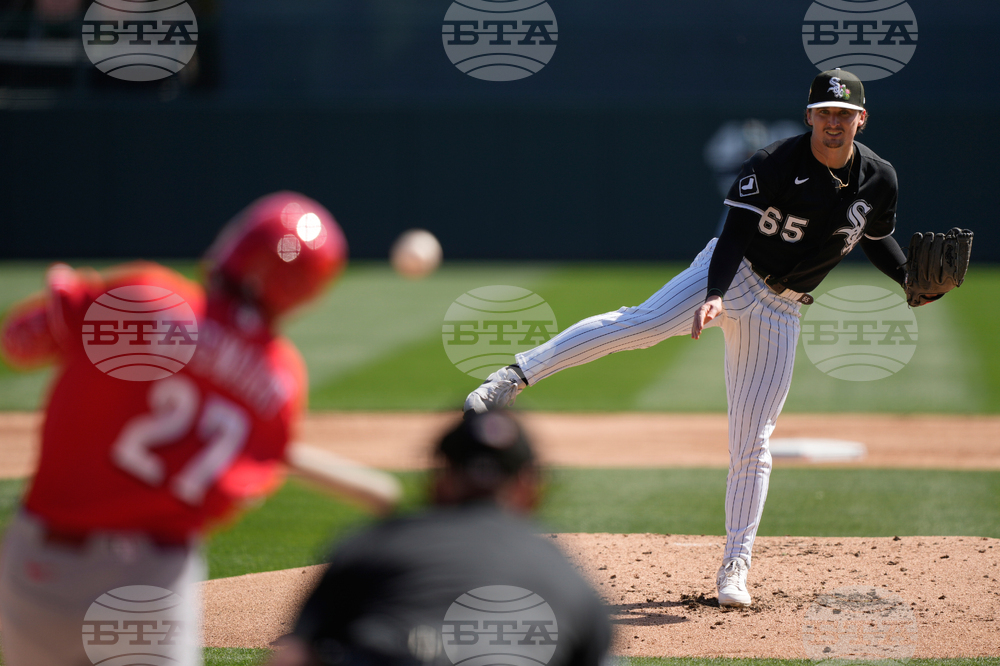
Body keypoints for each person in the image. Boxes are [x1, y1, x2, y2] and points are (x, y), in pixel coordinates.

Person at [465, 69, 918, 608]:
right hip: (731, 272)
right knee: (640, 325)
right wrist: (715, 292)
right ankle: (513, 376)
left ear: (861, 120)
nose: (833, 123)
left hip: (782, 309)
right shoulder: (774, 162)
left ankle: (735, 568)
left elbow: (877, 237)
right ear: (809, 116)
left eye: (844, 115)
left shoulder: (879, 177)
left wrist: (911, 279)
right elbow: (734, 234)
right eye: (825, 113)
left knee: (753, 441)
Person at [0, 191, 348, 666]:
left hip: (43, 567)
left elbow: (21, 341)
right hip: (150, 581)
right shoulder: (282, 384)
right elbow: (226, 502)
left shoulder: (146, 296)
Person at [271, 410, 611, 666]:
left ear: (438, 478)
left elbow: (296, 656)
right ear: (529, 488)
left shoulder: (371, 545)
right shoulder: (562, 573)